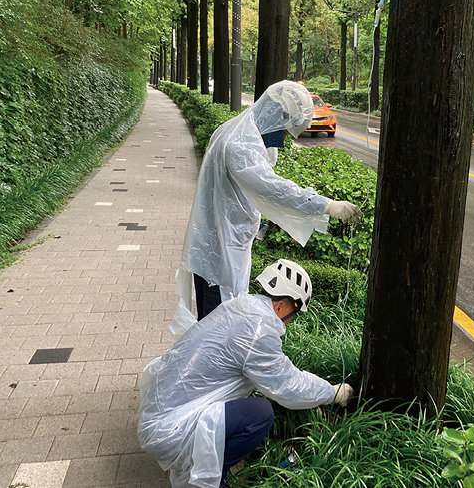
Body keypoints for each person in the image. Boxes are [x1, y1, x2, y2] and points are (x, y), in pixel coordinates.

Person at [138, 259, 354, 488]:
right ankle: (209, 472)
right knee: (261, 413)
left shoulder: (241, 306)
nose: (292, 320)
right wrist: (332, 393)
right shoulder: (257, 332)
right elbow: (290, 387)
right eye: (295, 312)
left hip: (159, 407)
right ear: (280, 305)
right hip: (171, 429)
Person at [173, 80, 361, 329]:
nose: (284, 140)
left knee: (225, 323)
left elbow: (243, 193)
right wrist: (325, 205)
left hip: (225, 243)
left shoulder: (241, 130)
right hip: (217, 253)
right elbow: (272, 188)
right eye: (285, 131)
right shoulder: (240, 145)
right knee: (215, 332)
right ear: (274, 117)